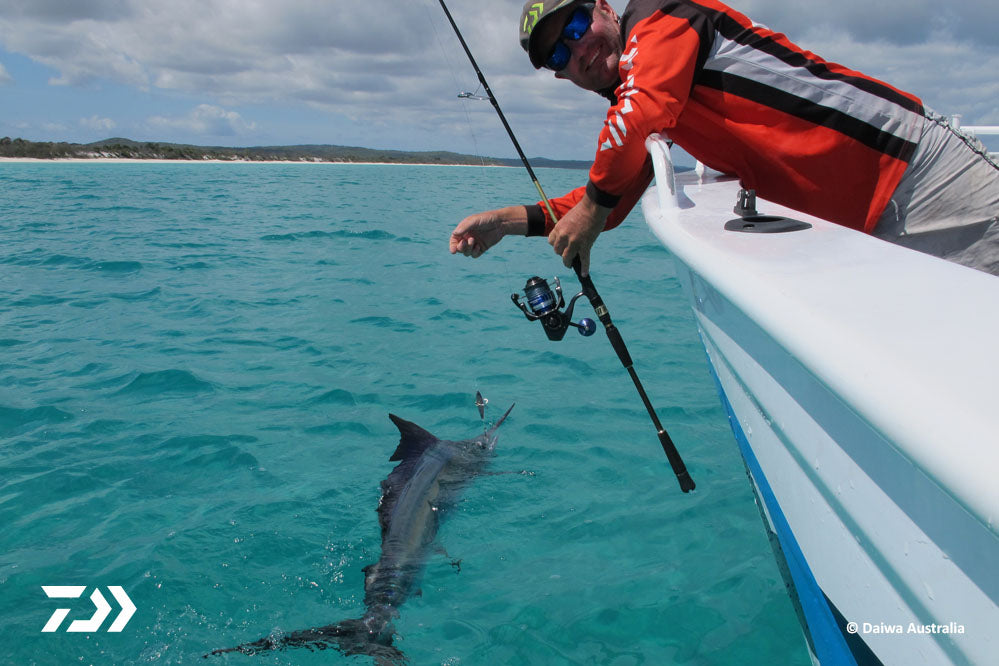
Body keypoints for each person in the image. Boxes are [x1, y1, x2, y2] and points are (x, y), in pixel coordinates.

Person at [448, 0, 999, 276]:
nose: (577, 52)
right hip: (859, 227)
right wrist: (505, 221)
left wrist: (591, 207)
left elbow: (620, 152)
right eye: (558, 57)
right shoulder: (634, 103)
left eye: (573, 30)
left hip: (916, 172)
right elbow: (603, 205)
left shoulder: (660, 17)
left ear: (604, 9)